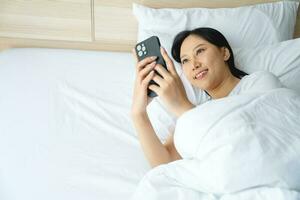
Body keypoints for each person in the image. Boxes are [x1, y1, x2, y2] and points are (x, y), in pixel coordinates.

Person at [130, 27, 283, 168]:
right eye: (185, 60)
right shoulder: (193, 112)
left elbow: (249, 140)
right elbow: (165, 165)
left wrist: (182, 106)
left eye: (200, 51)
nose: (194, 65)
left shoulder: (260, 82)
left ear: (224, 53)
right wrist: (138, 114)